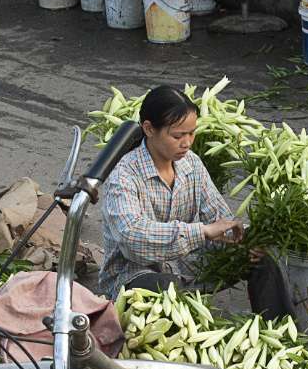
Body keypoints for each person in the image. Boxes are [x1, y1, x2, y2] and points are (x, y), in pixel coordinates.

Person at [99, 87, 292, 318]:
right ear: (149, 129)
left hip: (187, 266)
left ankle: (283, 336)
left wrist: (244, 240)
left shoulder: (192, 164)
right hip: (135, 274)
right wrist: (202, 232)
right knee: (165, 290)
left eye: (192, 133)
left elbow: (218, 219)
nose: (187, 143)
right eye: (178, 136)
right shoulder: (123, 176)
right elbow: (133, 239)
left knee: (262, 261)